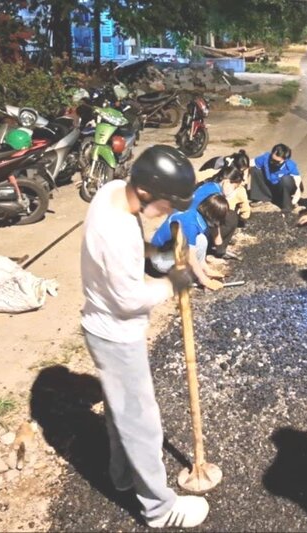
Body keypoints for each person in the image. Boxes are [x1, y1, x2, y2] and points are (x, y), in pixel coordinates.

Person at [80, 145, 209, 528]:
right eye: (168, 205)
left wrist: (158, 255)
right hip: (116, 333)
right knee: (141, 421)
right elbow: (128, 299)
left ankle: (122, 477)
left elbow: (135, 252)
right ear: (150, 192)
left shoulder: (115, 191)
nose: (168, 213)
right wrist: (173, 282)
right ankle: (159, 508)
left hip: (101, 325)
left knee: (121, 411)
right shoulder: (116, 230)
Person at [149, 193, 229, 291]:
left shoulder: (195, 213)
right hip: (159, 260)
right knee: (197, 246)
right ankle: (185, 277)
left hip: (166, 250)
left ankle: (202, 270)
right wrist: (206, 281)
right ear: (214, 216)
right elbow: (191, 257)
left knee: (201, 239)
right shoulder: (190, 225)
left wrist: (206, 269)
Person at [250, 143, 302, 213]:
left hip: (282, 190)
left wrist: (295, 199)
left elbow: (298, 183)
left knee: (286, 179)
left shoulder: (290, 165)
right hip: (269, 187)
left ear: (285, 159)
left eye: (277, 162)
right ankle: (261, 198)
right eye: (272, 159)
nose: (273, 163)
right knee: (255, 169)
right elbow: (250, 163)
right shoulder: (266, 158)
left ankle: (286, 205)